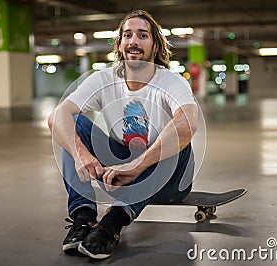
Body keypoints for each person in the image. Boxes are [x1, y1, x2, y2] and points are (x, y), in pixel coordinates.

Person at [48, 10, 199, 260]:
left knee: (177, 139)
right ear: (119, 44)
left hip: (168, 179)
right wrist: (80, 154)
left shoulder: (171, 81)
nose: (134, 41)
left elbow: (188, 124)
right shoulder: (104, 79)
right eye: (127, 35)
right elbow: (57, 116)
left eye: (142, 35)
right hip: (120, 171)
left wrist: (137, 165)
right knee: (71, 123)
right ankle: (83, 220)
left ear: (155, 45)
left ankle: (111, 225)